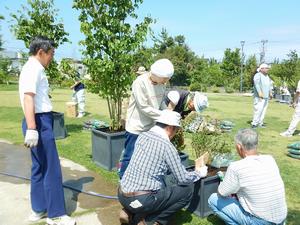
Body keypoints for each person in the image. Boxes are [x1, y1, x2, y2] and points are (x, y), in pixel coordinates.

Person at [19, 36, 76, 225]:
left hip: (37, 121)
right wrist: (33, 128)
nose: (52, 57)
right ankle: (56, 215)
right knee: (51, 168)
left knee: (39, 167)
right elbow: (29, 98)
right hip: (39, 122)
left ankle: (39, 209)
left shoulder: (32, 68)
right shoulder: (33, 68)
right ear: (41, 52)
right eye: (51, 53)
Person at [118, 110, 208, 225]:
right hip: (142, 199)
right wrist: (199, 173)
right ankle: (149, 221)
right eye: (176, 130)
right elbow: (183, 179)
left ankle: (128, 212)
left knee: (160, 184)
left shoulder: (142, 135)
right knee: (187, 190)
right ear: (170, 128)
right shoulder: (167, 147)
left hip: (122, 194)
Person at [208, 128, 287, 225]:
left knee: (213, 199)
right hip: (281, 219)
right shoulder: (270, 159)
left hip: (260, 221)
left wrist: (226, 181)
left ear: (239, 147)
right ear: (256, 144)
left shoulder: (236, 167)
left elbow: (221, 193)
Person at [118, 59, 174, 179]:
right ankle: (123, 180)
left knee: (145, 155)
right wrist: (164, 116)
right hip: (136, 126)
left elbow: (160, 103)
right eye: (165, 78)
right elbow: (144, 107)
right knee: (130, 155)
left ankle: (138, 179)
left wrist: (168, 112)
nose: (166, 81)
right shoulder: (140, 83)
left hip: (151, 126)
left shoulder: (161, 84)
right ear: (156, 74)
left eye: (167, 78)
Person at [251, 63, 272, 128]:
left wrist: (270, 93)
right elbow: (256, 84)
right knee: (258, 110)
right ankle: (254, 123)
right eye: (266, 68)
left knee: (263, 110)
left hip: (266, 97)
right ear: (262, 69)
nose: (267, 69)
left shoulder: (267, 76)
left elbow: (269, 85)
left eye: (268, 68)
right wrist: (260, 93)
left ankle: (260, 122)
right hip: (259, 97)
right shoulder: (258, 75)